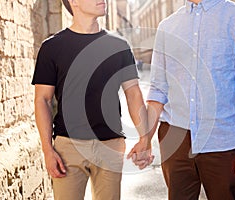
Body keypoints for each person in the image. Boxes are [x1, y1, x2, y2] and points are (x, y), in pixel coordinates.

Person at [140, 0, 235, 199]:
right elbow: (158, 89)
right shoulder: (167, 26)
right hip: (175, 138)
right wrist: (145, 138)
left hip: (223, 141)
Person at [32, 0, 153, 199]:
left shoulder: (119, 45)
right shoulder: (52, 47)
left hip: (110, 146)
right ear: (74, 2)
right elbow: (42, 100)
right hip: (68, 147)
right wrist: (47, 150)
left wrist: (144, 138)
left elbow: (134, 94)